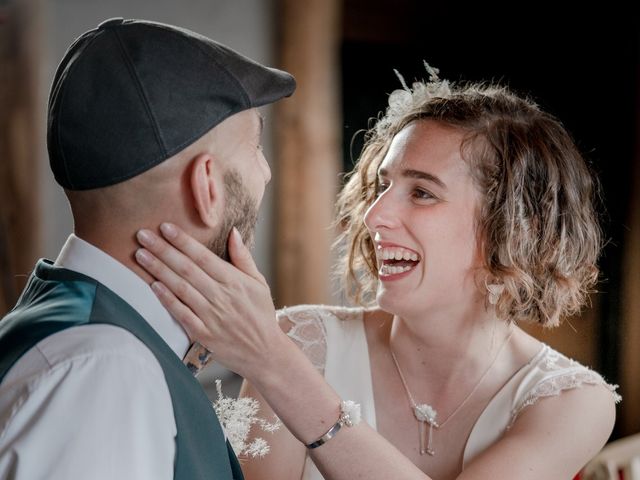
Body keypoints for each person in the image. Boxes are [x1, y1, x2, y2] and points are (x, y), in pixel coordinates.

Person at [134, 65, 621, 479]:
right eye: (383, 186)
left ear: (513, 228)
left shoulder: (573, 401)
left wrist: (274, 362)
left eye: (422, 192)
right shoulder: (301, 341)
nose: (373, 216)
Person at [0, 17, 295, 480]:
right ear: (207, 188)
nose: (267, 172)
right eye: (256, 147)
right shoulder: (107, 372)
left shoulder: (73, 330)